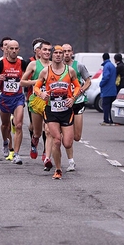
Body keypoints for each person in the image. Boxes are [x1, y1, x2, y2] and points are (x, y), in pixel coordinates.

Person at [34, 45, 81, 179]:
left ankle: (63, 162)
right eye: (56, 53)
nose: (59, 55)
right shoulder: (45, 71)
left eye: (61, 53)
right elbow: (37, 87)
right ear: (52, 55)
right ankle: (58, 169)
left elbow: (77, 86)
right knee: (56, 140)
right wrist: (41, 94)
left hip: (66, 111)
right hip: (51, 110)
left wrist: (73, 98)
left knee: (67, 143)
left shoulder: (70, 71)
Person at [0, 40, 28, 165]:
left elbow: (30, 76)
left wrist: (25, 79)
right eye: (11, 48)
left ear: (19, 50)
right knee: (5, 125)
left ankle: (16, 154)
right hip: (5, 98)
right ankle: (5, 142)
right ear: (7, 50)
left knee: (18, 125)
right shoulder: (0, 64)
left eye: (16, 48)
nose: (14, 51)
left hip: (18, 98)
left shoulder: (23, 63)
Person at [20, 40, 52, 166]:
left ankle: (46, 154)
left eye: (49, 50)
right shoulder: (33, 64)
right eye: (44, 50)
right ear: (39, 51)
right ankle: (34, 142)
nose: (47, 52)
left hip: (50, 101)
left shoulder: (54, 65)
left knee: (48, 129)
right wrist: (36, 82)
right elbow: (22, 82)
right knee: (37, 131)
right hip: (36, 100)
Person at [62, 43, 91, 172]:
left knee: (77, 136)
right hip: (64, 104)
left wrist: (81, 90)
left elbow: (88, 81)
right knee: (67, 136)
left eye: (69, 51)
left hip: (78, 102)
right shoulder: (57, 67)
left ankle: (67, 136)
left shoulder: (79, 66)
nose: (66, 53)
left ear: (72, 52)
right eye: (64, 51)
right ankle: (71, 161)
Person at [99, 53, 117, 125]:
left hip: (107, 90)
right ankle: (112, 120)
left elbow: (106, 76)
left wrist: (101, 84)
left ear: (103, 58)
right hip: (113, 89)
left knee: (106, 105)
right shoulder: (112, 65)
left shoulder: (106, 66)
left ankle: (106, 120)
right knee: (111, 106)